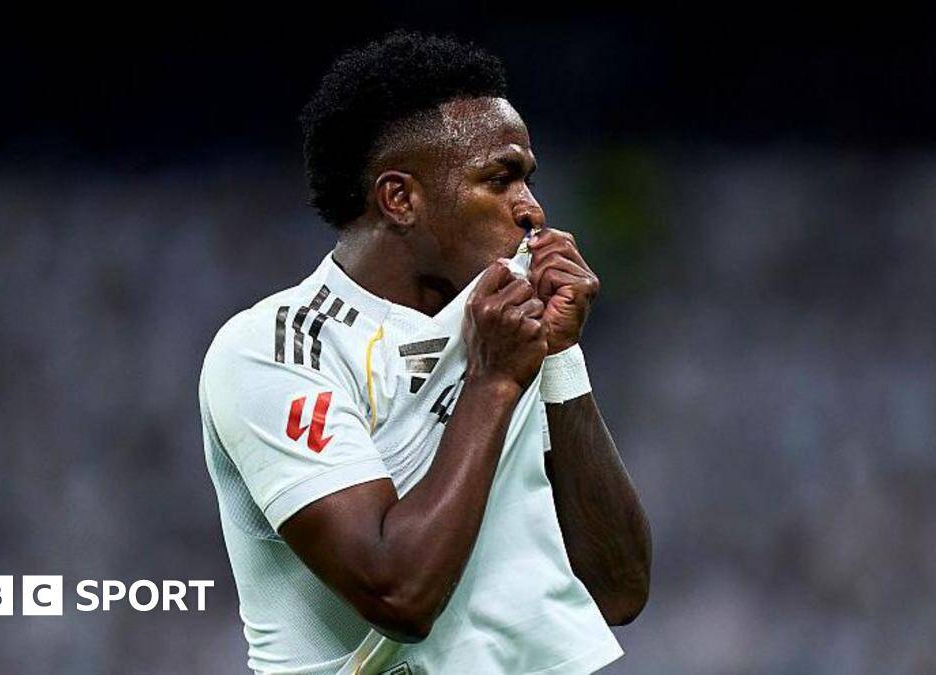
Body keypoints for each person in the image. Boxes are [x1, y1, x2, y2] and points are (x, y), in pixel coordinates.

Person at [199, 30, 651, 674]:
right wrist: (493, 384)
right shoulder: (277, 348)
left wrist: (559, 357)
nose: (532, 210)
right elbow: (398, 595)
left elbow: (619, 591)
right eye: (500, 179)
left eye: (529, 179)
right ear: (400, 199)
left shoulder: (506, 329)